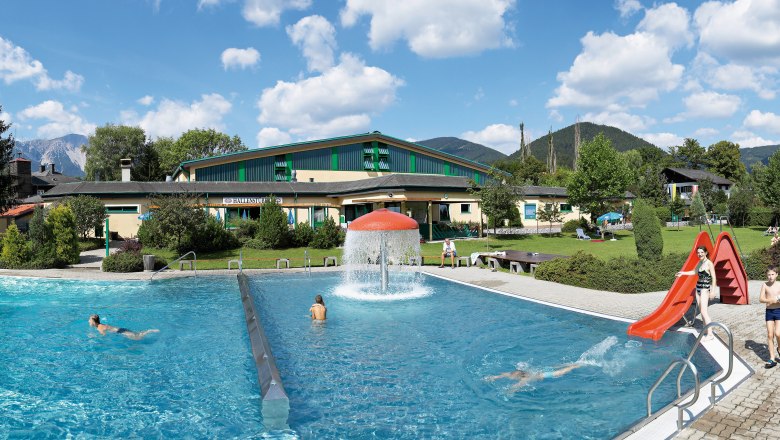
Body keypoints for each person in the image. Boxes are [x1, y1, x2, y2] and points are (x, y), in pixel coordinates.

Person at [676, 245, 717, 340]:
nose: (700, 254)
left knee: (704, 311)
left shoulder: (709, 263)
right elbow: (694, 272)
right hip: (698, 288)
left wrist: (713, 291)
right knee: (702, 311)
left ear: (706, 253)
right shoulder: (700, 262)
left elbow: (714, 277)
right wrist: (682, 273)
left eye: (702, 252)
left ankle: (710, 334)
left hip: (705, 289)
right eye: (698, 253)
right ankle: (706, 330)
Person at [485, 363, 583, 392]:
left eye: (513, 378)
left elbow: (517, 386)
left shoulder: (525, 379)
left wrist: (509, 392)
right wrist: (494, 377)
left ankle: (576, 366)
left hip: (544, 375)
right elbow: (505, 374)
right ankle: (572, 363)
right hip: (542, 368)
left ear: (519, 376)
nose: (511, 377)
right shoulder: (518, 373)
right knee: (555, 366)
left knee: (561, 372)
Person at [760, 266, 780, 368]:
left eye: (772, 274)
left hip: (779, 311)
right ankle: (772, 358)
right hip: (769, 312)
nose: (770, 276)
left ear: (776, 275)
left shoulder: (779, 285)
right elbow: (761, 299)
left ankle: (779, 349)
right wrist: (770, 300)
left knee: (778, 333)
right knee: (770, 335)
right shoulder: (765, 285)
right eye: (769, 274)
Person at [88, 314, 158, 340]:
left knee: (138, 337)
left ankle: (149, 331)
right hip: (121, 330)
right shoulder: (101, 325)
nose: (88, 321)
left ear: (93, 322)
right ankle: (148, 331)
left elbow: (104, 337)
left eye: (89, 320)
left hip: (121, 332)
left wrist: (93, 337)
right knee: (138, 334)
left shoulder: (99, 328)